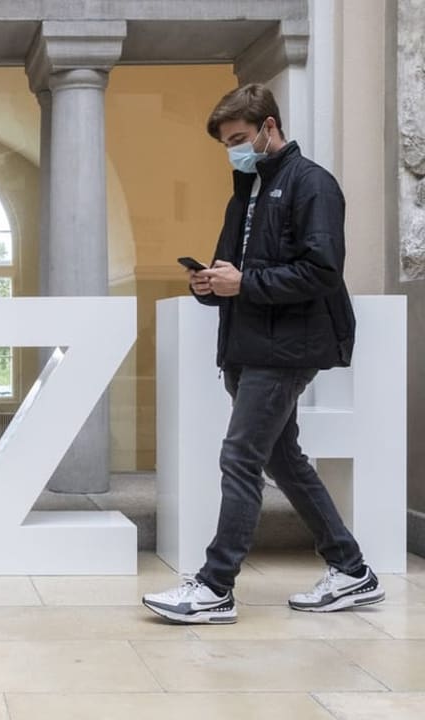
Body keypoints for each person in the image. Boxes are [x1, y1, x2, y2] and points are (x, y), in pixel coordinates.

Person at [143, 84, 384, 624]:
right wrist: (207, 282)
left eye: (240, 138)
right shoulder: (245, 192)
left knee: (240, 456)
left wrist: (244, 283)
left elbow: (322, 271)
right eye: (228, 143)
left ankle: (215, 587)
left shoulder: (313, 185)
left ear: (269, 127)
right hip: (248, 345)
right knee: (283, 458)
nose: (234, 150)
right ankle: (352, 570)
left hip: (288, 347)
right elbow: (233, 268)